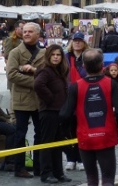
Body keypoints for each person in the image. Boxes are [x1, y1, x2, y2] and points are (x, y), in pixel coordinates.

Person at [60, 49, 118, 186]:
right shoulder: (111, 84)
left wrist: (67, 133)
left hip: (85, 136)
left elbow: (65, 114)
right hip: (106, 135)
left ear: (84, 66)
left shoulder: (75, 86)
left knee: (91, 178)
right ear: (102, 65)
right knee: (108, 178)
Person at [6, 21, 45, 178]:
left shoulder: (44, 53)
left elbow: (47, 73)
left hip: (39, 99)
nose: (26, 33)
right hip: (21, 99)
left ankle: (39, 166)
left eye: (30, 31)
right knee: (20, 134)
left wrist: (33, 71)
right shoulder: (15, 52)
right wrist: (36, 81)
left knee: (40, 133)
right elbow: (12, 74)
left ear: (38, 34)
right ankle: (19, 168)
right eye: (25, 31)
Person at [33, 44, 71, 184]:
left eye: (58, 55)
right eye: (53, 55)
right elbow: (38, 85)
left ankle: (58, 172)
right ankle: (46, 173)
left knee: (58, 144)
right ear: (48, 56)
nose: (56, 57)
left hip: (59, 111)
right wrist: (50, 98)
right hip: (49, 112)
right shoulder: (45, 70)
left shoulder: (59, 70)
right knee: (47, 143)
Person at [64, 32, 89, 171]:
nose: (77, 43)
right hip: (68, 96)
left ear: (84, 43)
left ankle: (81, 158)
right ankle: (70, 158)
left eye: (80, 41)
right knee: (68, 129)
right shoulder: (66, 57)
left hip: (84, 96)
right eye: (75, 41)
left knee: (82, 129)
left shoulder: (88, 57)